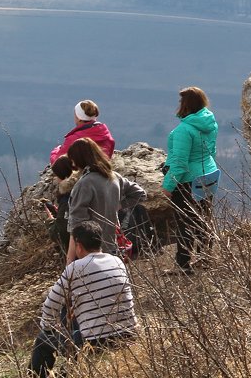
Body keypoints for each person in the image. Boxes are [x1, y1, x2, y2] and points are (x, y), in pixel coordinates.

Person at [30, 221, 137, 377]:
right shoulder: (117, 261)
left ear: (78, 245)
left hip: (95, 342)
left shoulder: (75, 268)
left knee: (44, 340)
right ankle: (69, 372)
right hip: (128, 334)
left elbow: (50, 305)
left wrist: (49, 328)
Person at [160, 86, 220, 275]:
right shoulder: (210, 123)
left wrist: (168, 186)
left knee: (184, 224)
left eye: (181, 101)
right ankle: (205, 259)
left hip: (187, 181)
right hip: (208, 174)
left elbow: (179, 164)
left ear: (186, 104)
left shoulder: (183, 131)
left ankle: (183, 266)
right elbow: (211, 150)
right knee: (203, 220)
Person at [65, 139, 146, 264]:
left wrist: (70, 259)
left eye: (73, 160)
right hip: (112, 245)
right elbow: (140, 194)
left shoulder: (84, 184)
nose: (73, 164)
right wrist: (119, 205)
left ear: (79, 159)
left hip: (89, 249)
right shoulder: (114, 177)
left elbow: (76, 222)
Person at [49, 99, 116, 163]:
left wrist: (56, 151)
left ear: (79, 118)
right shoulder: (106, 135)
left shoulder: (74, 139)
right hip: (103, 170)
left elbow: (57, 162)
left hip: (81, 173)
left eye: (75, 115)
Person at [43, 154, 77, 253]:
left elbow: (60, 234)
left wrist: (50, 221)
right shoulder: (81, 189)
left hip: (76, 255)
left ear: (63, 175)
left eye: (57, 175)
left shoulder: (67, 198)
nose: (56, 179)